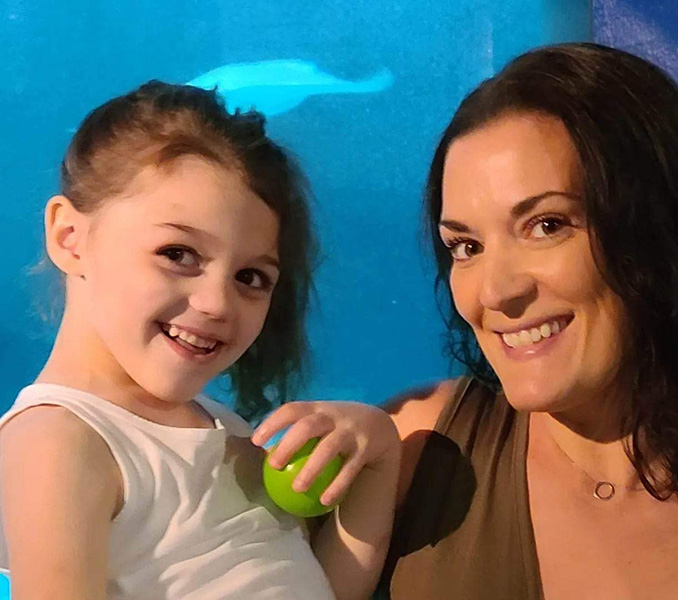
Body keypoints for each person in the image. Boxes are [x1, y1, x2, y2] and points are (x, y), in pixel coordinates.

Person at [380, 43, 678, 599]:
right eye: (466, 246)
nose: (496, 291)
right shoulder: (412, 446)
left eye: (547, 224)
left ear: (662, 230)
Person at [0, 81, 399, 600]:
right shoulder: (57, 442)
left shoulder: (223, 431)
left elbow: (329, 590)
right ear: (70, 239)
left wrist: (380, 452)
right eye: (178, 253)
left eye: (251, 277)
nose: (217, 302)